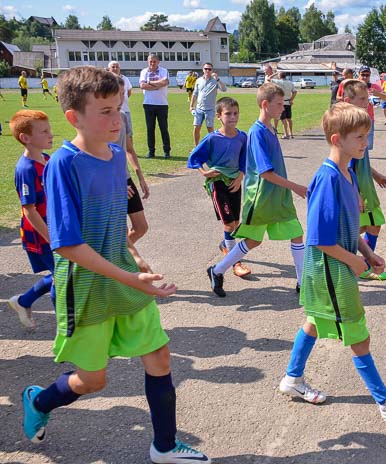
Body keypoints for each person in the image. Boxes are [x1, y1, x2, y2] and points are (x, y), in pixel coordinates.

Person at [20, 66, 209, 463]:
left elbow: (116, 229)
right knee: (93, 380)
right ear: (74, 117)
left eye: (120, 108)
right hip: (86, 286)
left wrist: (137, 259)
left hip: (124, 275)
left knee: (159, 357)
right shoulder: (64, 165)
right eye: (105, 110)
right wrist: (132, 277)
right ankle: (39, 400)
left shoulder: (114, 156)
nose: (117, 119)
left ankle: (165, 446)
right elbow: (68, 246)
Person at [278, 102, 386, 427]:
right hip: (329, 270)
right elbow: (319, 239)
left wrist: (367, 251)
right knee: (358, 335)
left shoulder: (347, 173)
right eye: (359, 137)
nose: (365, 143)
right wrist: (354, 262)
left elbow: (346, 226)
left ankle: (292, 378)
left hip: (336, 266)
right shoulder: (327, 179)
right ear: (337, 139)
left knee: (315, 322)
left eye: (366, 136)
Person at [206, 83, 307, 297]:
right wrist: (297, 188)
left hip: (278, 196)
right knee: (254, 240)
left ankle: (302, 283)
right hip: (261, 197)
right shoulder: (257, 132)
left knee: (296, 234)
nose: (283, 107)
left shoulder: (270, 127)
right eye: (279, 104)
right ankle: (217, 270)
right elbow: (265, 173)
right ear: (265, 104)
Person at [188, 97, 251, 278]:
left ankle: (226, 245)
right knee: (228, 223)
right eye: (228, 113)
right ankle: (234, 262)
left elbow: (244, 160)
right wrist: (204, 173)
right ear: (218, 116)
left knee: (236, 223)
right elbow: (195, 158)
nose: (232, 117)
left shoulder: (242, 137)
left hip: (235, 183)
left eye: (235, 113)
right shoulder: (212, 138)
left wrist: (240, 176)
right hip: (218, 183)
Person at [8, 110, 55, 329]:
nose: (50, 134)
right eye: (44, 131)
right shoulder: (25, 169)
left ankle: (23, 301)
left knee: (64, 273)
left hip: (54, 227)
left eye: (49, 129)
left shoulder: (46, 159)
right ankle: (66, 329)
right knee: (64, 276)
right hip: (40, 232)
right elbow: (29, 209)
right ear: (25, 138)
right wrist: (51, 238)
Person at [342, 77, 386, 281]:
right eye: (361, 99)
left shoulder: (359, 126)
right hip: (358, 191)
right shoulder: (348, 129)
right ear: (347, 100)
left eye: (367, 99)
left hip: (365, 188)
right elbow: (345, 165)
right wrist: (357, 195)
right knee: (355, 231)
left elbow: (360, 160)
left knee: (371, 226)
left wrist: (376, 174)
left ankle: (359, 265)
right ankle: (357, 266)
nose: (366, 103)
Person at [115, 78, 151, 245]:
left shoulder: (122, 117)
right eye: (118, 93)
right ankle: (118, 261)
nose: (121, 97)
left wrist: (140, 177)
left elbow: (129, 149)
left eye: (123, 93)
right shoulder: (100, 122)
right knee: (118, 230)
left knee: (141, 227)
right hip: (110, 182)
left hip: (125, 178)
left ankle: (119, 255)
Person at [139, 54, 171, 158]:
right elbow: (142, 85)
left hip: (162, 104)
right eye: (150, 61)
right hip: (148, 103)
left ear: (158, 62)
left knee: (164, 128)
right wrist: (157, 85)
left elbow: (165, 82)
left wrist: (150, 83)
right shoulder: (144, 71)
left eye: (154, 61)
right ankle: (151, 151)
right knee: (150, 128)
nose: (152, 63)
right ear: (148, 62)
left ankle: (166, 151)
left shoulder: (163, 71)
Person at [190, 62, 227, 146]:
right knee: (196, 128)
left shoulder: (215, 81)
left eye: (209, 69)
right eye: (206, 69)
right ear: (203, 70)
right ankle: (196, 147)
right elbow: (195, 93)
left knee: (210, 129)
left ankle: (213, 147)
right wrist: (191, 106)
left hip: (210, 109)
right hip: (199, 109)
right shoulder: (198, 80)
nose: (207, 70)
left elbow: (224, 89)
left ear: (212, 70)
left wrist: (218, 79)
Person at [108, 61, 134, 143]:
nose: (115, 69)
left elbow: (129, 92)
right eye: (113, 67)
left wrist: (121, 100)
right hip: (110, 111)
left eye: (117, 67)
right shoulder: (105, 80)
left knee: (128, 132)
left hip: (125, 110)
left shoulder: (125, 79)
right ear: (109, 69)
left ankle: (130, 151)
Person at [270, 71, 297, 139]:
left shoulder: (278, 82)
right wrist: (291, 99)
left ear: (279, 76)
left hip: (281, 103)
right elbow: (294, 92)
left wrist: (275, 73)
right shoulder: (290, 82)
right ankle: (291, 133)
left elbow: (269, 78)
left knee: (283, 119)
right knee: (289, 119)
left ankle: (286, 134)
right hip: (288, 102)